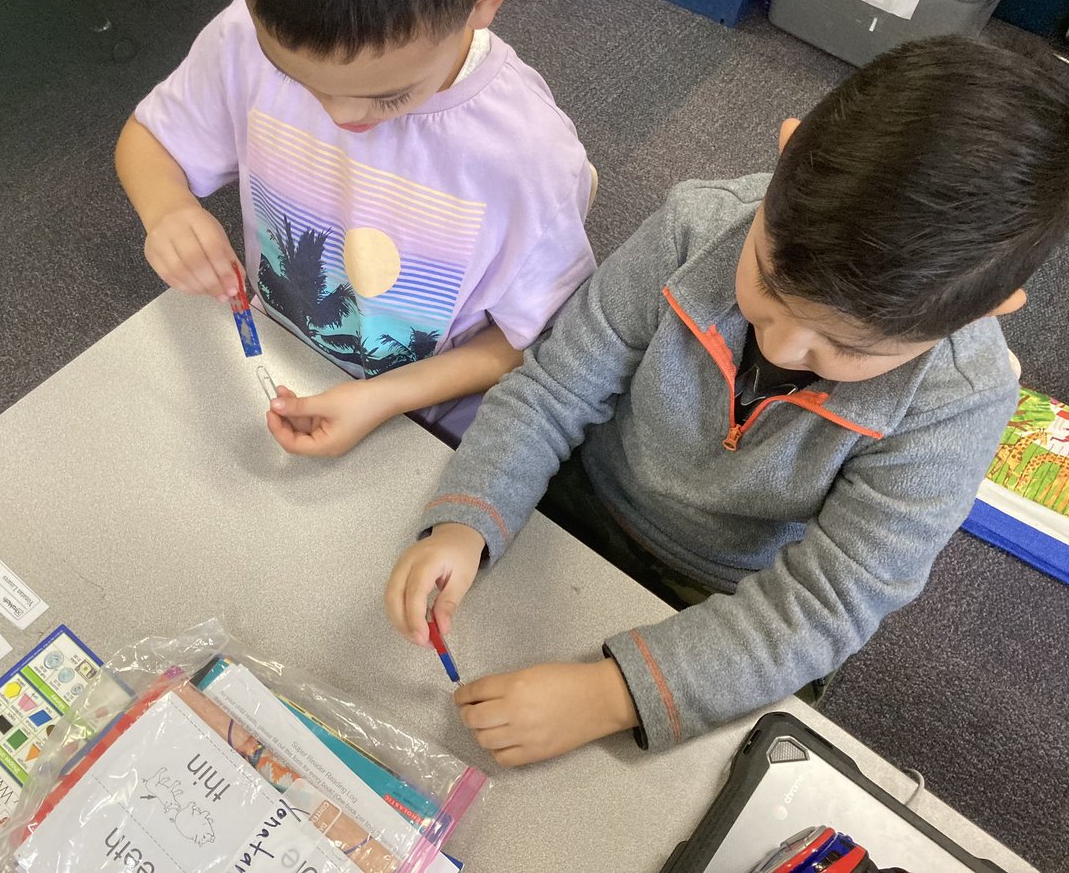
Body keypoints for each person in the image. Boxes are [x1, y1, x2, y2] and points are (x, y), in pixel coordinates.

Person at [384, 37, 1069, 766]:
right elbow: (555, 386)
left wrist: (610, 696)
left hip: (734, 599)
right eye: (769, 284)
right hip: (585, 499)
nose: (783, 345)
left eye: (849, 347)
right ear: (787, 150)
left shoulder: (959, 401)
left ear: (987, 310)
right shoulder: (697, 224)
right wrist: (467, 520)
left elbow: (824, 606)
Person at [115, 0, 596, 451]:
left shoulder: (526, 157)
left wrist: (383, 397)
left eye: (389, 97)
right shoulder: (250, 30)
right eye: (294, 77)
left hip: (429, 421)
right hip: (283, 354)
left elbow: (536, 340)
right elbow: (150, 140)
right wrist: (168, 209)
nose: (339, 116)